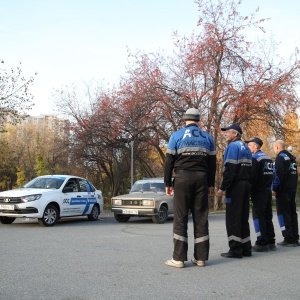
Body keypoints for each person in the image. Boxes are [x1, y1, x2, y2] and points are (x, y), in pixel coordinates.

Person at [164, 108, 216, 268]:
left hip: (182, 178)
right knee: (201, 218)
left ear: (185, 120)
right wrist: (209, 184)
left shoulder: (176, 136)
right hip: (201, 178)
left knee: (180, 217)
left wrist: (168, 183)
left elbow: (169, 162)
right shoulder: (207, 137)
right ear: (198, 120)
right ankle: (201, 258)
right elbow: (212, 164)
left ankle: (178, 259)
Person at [217, 123, 252, 258]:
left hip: (236, 186)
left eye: (228, 132)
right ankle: (246, 248)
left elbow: (230, 170)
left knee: (233, 218)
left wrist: (222, 187)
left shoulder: (232, 147)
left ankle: (235, 249)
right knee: (243, 217)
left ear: (235, 134)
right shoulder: (247, 148)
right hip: (246, 184)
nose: (225, 134)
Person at [245, 137, 276, 251]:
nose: (248, 148)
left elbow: (252, 177)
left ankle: (261, 242)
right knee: (267, 216)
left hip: (258, 191)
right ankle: (271, 240)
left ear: (256, 146)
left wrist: (249, 191)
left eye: (250, 145)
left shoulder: (255, 158)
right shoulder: (267, 157)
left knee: (258, 216)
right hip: (267, 190)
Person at [272, 140, 299, 247]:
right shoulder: (292, 158)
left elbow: (278, 175)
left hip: (283, 190)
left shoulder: (280, 158)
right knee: (292, 213)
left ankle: (289, 238)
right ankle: (295, 237)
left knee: (284, 214)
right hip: (292, 189)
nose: (274, 149)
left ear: (277, 147)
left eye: (274, 147)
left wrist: (274, 188)